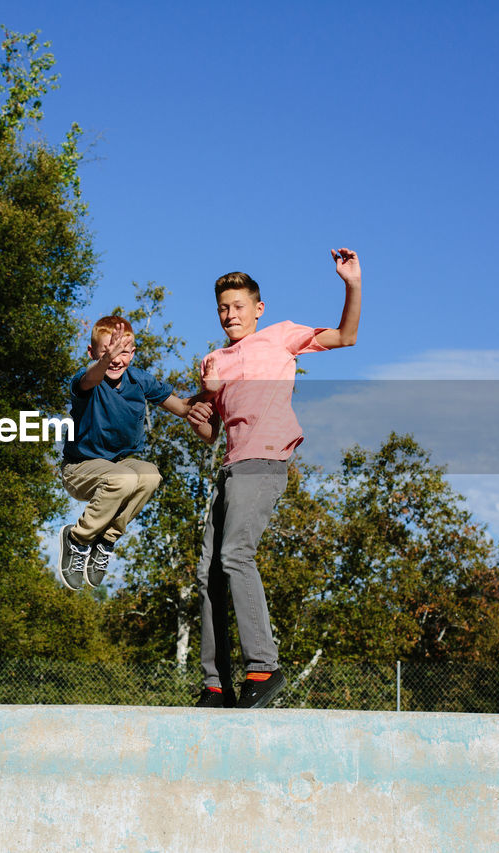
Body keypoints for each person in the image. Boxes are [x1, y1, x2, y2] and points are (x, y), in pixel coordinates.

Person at [188, 249, 362, 709]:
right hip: (229, 467)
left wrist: (352, 284)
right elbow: (207, 432)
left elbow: (346, 336)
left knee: (235, 556)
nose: (230, 315)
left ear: (258, 309)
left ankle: (264, 668)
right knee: (208, 574)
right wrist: (203, 399)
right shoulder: (214, 360)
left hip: (264, 461)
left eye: (239, 306)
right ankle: (215, 684)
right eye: (223, 308)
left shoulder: (281, 337)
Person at [58, 315, 193, 589]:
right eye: (108, 352)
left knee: (150, 475)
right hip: (79, 469)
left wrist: (213, 396)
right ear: (93, 353)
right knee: (124, 478)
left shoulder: (138, 380)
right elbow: (90, 378)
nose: (116, 360)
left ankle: (106, 540)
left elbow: (182, 408)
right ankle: (78, 539)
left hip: (120, 465)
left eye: (123, 352)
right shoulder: (86, 381)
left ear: (133, 352)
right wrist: (104, 361)